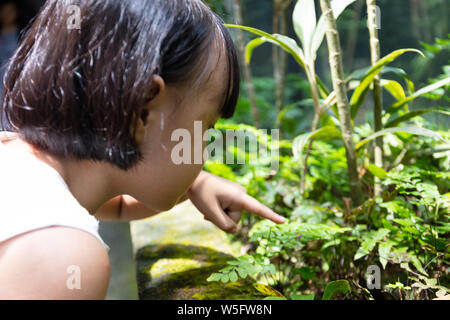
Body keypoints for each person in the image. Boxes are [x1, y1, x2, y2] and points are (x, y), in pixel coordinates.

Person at [0, 0, 285, 299]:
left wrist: (195, 183)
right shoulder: (61, 257)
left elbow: (119, 205)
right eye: (207, 127)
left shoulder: (18, 163)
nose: (203, 150)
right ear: (144, 109)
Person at [0, 1, 19, 129]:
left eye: (10, 11)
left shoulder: (22, 34)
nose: (7, 15)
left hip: (15, 79)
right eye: (4, 11)